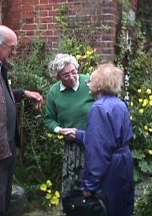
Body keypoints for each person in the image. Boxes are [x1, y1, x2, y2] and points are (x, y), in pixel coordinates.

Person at [0, 25, 44, 216]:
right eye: (12, 47)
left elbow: (0, 95)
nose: (14, 52)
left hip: (8, 143)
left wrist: (23, 93)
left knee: (5, 197)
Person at [69, 63, 135, 216]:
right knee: (123, 209)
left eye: (90, 81)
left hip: (111, 167)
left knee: (107, 208)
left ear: (99, 85)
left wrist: (89, 185)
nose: (88, 84)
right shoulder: (119, 104)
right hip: (125, 162)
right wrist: (79, 134)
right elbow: (113, 137)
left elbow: (98, 151)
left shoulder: (99, 108)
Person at [44, 53, 95, 201]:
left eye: (74, 72)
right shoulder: (54, 92)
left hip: (93, 142)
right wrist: (59, 130)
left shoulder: (89, 82)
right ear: (58, 76)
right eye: (66, 75)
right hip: (72, 146)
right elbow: (49, 120)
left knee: (93, 183)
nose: (72, 77)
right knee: (72, 186)